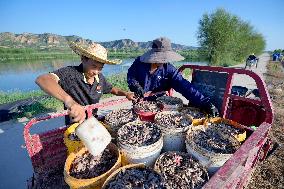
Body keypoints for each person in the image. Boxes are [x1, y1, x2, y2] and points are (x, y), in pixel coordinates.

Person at [36, 41, 136, 124]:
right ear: (83, 59)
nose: (96, 72)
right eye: (94, 66)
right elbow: (43, 79)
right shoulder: (70, 73)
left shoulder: (99, 78)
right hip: (76, 124)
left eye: (100, 68)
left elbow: (111, 89)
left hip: (93, 120)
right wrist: (71, 102)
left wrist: (126, 93)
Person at [127, 37, 219, 116]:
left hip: (160, 102)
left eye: (164, 58)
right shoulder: (139, 63)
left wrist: (205, 103)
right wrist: (135, 86)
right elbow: (131, 76)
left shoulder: (169, 69)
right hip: (140, 102)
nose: (163, 60)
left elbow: (185, 86)